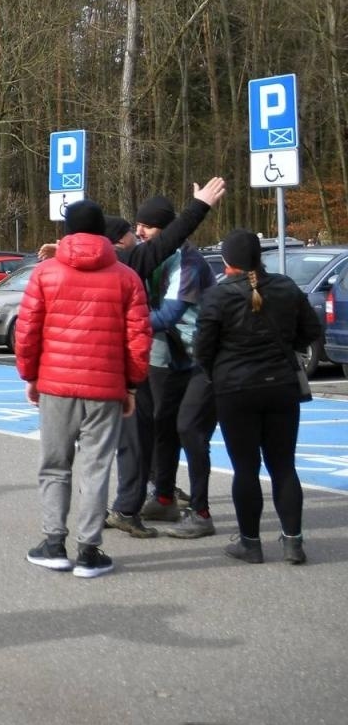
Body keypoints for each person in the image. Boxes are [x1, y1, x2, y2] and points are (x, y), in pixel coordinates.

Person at [16, 199, 150, 580]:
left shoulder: (45, 273)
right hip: (106, 388)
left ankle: (54, 544)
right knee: (96, 468)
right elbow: (138, 339)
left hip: (56, 384)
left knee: (55, 465)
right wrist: (131, 385)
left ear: (67, 232)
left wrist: (31, 376)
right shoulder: (126, 277)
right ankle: (89, 551)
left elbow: (27, 331)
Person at [194, 229, 322, 565]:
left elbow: (202, 348)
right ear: (259, 257)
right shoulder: (286, 287)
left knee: (246, 469)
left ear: (226, 261)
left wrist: (217, 372)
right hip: (281, 386)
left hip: (235, 390)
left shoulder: (218, 296)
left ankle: (250, 543)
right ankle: (293, 542)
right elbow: (311, 331)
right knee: (283, 467)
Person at [135, 216, 216, 537]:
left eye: (147, 226)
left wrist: (124, 320)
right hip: (177, 359)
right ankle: (165, 498)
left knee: (190, 430)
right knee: (163, 424)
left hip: (204, 360)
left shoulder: (188, 263)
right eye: (137, 224)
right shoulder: (154, 258)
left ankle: (201, 513)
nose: (139, 231)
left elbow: (170, 313)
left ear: (167, 231)